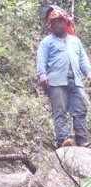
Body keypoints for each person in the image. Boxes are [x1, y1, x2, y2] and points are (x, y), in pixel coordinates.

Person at [36, 8, 91, 148]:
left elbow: (83, 60)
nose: (57, 25)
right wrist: (42, 75)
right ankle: (63, 139)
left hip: (76, 80)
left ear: (66, 22)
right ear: (50, 25)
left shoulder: (75, 41)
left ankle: (82, 140)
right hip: (56, 81)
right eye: (54, 22)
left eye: (60, 21)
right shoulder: (46, 42)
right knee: (59, 111)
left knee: (80, 110)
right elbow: (41, 60)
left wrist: (89, 74)